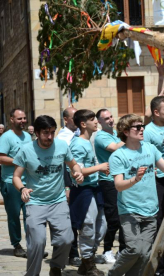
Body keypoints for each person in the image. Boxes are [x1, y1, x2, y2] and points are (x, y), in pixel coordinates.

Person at [107, 114, 164, 276]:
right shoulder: (118, 156)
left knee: (145, 254)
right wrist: (135, 179)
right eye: (137, 127)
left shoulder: (150, 148)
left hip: (151, 210)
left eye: (143, 127)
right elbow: (118, 186)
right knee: (134, 249)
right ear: (126, 131)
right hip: (129, 211)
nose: (142, 130)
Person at [12, 115, 84, 276]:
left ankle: (56, 267)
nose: (50, 137)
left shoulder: (62, 146)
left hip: (58, 201)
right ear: (37, 133)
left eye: (52, 132)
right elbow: (16, 176)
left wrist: (77, 172)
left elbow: (73, 165)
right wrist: (23, 188)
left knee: (66, 239)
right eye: (45, 133)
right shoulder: (26, 150)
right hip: (35, 202)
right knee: (37, 242)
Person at [69, 109, 109, 276]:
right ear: (83, 124)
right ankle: (88, 263)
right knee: (88, 226)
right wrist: (100, 167)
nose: (96, 122)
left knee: (102, 226)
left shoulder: (88, 141)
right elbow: (76, 170)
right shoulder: (78, 143)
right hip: (83, 191)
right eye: (93, 119)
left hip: (94, 187)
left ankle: (86, 262)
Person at [95, 109, 126, 264]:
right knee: (113, 218)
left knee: (124, 217)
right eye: (106, 118)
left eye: (111, 117)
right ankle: (107, 250)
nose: (110, 120)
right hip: (108, 181)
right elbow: (115, 148)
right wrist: (128, 135)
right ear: (99, 122)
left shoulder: (116, 133)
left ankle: (122, 250)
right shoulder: (101, 136)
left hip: (123, 178)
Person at [0, 108, 32, 257]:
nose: (23, 121)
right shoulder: (6, 137)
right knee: (14, 215)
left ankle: (32, 245)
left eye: (24, 118)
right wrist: (19, 162)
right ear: (11, 120)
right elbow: (1, 158)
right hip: (10, 182)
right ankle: (17, 244)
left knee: (30, 215)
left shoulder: (27, 136)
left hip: (27, 182)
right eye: (19, 119)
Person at [56, 106, 82, 267]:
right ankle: (72, 253)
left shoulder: (80, 135)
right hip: (69, 183)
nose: (79, 121)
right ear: (66, 119)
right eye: (75, 117)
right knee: (71, 220)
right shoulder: (62, 138)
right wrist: (66, 186)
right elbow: (62, 164)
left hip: (83, 181)